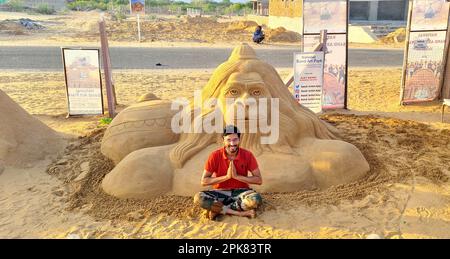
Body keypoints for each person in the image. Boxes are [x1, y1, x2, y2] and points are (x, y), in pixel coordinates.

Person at [194, 125, 263, 220]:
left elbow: (259, 180)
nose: (232, 143)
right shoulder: (214, 156)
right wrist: (226, 177)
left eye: (235, 139)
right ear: (223, 140)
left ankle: (219, 209)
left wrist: (237, 176)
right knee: (199, 198)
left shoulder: (248, 155)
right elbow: (204, 181)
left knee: (255, 199)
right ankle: (239, 213)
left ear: (239, 139)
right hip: (220, 192)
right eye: (228, 140)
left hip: (241, 192)